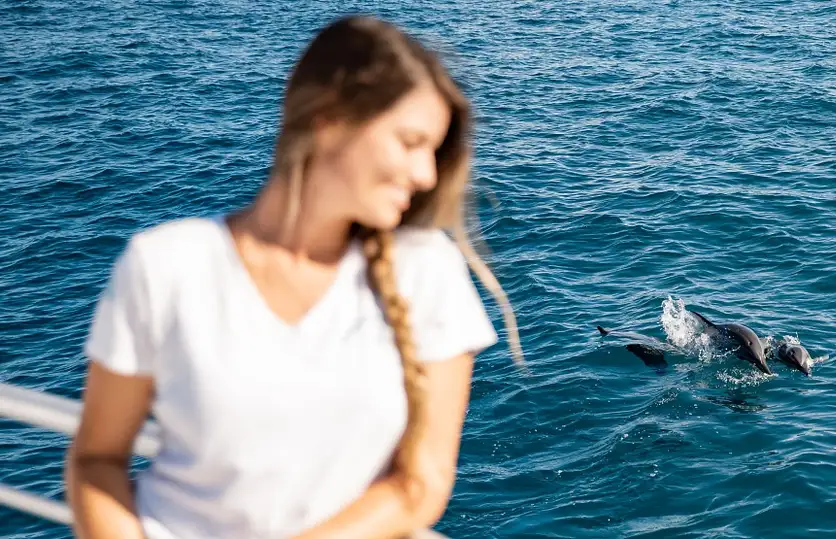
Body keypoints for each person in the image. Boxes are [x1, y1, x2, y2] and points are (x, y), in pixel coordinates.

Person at [63, 15, 523, 539]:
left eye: (434, 152)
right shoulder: (166, 263)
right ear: (330, 120)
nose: (426, 175)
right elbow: (97, 460)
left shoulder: (426, 271)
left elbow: (422, 483)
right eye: (410, 142)